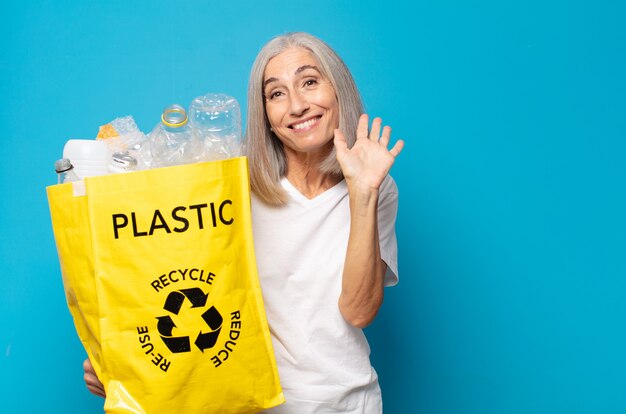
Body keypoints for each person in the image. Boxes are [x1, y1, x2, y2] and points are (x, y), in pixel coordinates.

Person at [84, 32, 403, 413]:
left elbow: (359, 310)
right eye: (276, 94)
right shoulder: (232, 188)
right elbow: (169, 270)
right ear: (265, 114)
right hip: (249, 403)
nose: (297, 105)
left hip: (348, 403)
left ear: (338, 91)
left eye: (310, 82)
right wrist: (124, 359)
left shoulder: (374, 184)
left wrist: (363, 191)